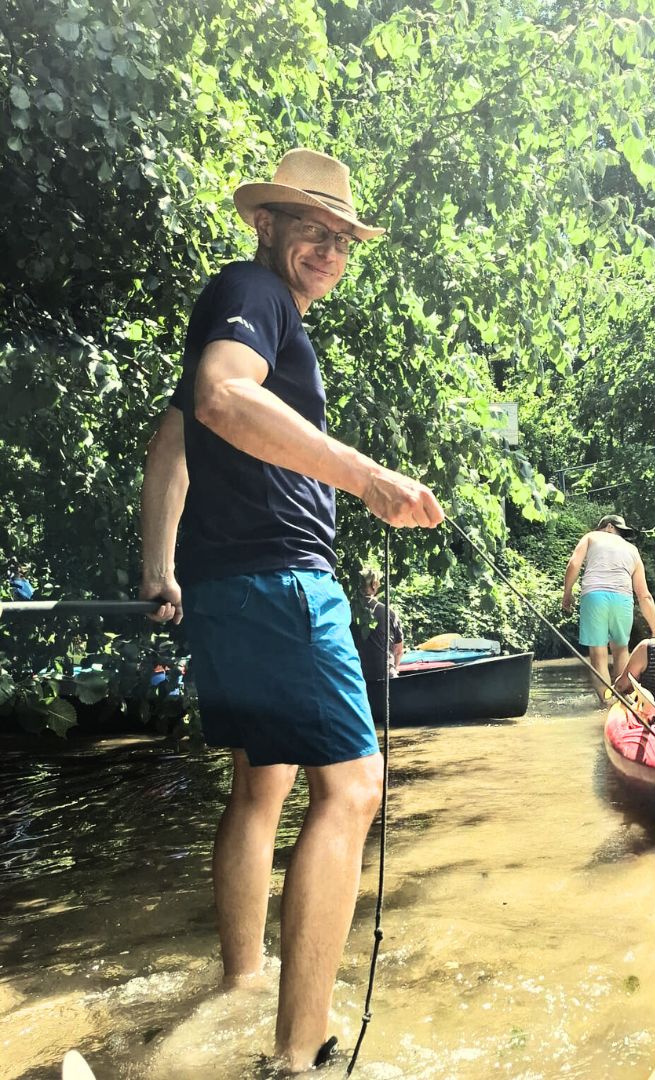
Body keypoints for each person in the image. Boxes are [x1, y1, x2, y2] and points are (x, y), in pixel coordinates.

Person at [138, 148, 443, 1074]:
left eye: (343, 239)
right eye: (311, 228)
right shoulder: (253, 295)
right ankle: (298, 1054)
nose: (329, 249)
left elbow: (171, 440)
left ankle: (241, 989)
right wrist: (368, 478)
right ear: (265, 225)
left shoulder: (248, 312)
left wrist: (161, 570)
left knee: (261, 788)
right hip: (279, 583)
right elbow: (223, 402)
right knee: (353, 788)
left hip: (227, 591)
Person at [562, 513, 655, 701]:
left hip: (595, 597)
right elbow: (644, 594)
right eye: (620, 531)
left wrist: (567, 595)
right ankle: (624, 701)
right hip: (623, 599)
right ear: (609, 526)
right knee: (621, 649)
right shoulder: (632, 549)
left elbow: (574, 563)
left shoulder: (591, 536)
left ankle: (607, 704)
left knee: (598, 655)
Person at [351, 565, 404, 683]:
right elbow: (399, 650)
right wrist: (394, 668)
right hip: (385, 678)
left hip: (356, 678)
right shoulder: (389, 613)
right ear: (374, 585)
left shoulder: (347, 611)